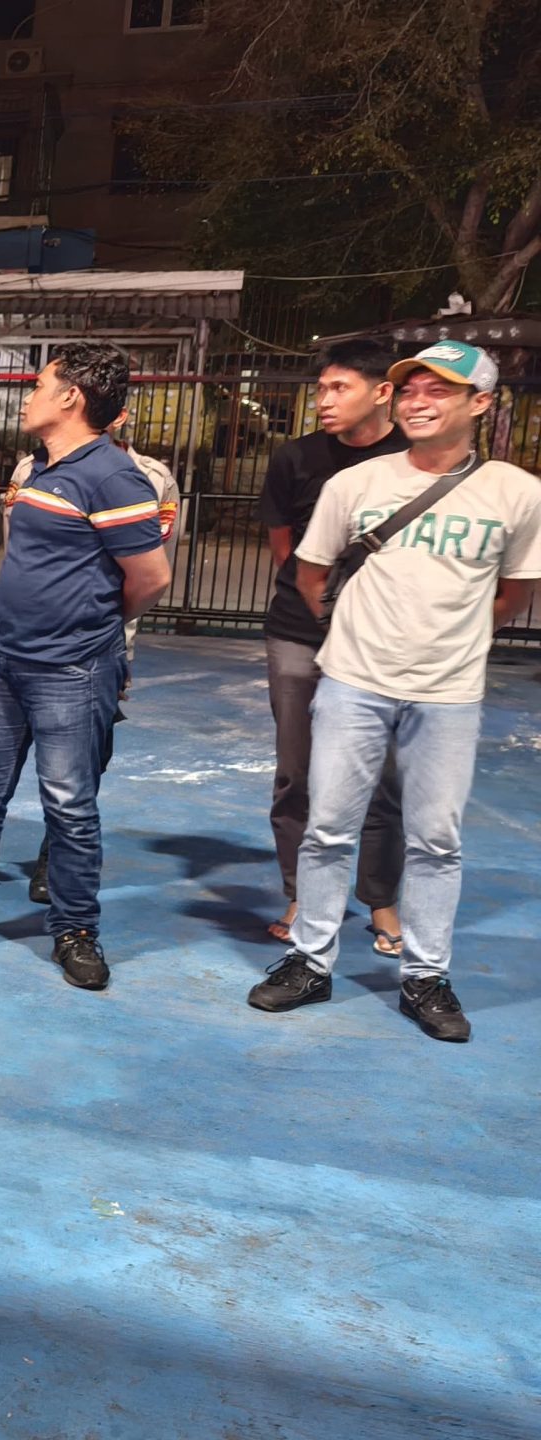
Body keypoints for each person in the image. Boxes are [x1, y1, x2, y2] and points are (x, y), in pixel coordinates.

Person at [250, 341, 541, 1041]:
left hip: (448, 694)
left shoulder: (517, 493)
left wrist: (450, 640)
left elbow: (516, 591)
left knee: (436, 840)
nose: (417, 401)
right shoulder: (357, 484)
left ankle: (425, 976)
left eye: (439, 391)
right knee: (327, 828)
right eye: (409, 388)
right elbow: (311, 574)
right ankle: (310, 960)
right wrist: (358, 639)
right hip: (352, 684)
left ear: (480, 403)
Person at [0, 342, 170, 988]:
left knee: (70, 806)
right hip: (2, 661)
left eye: (38, 385)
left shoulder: (114, 478)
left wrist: (91, 629)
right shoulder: (40, 466)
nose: (27, 396)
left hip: (71, 670)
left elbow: (151, 578)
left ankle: (75, 929)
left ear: (70, 397)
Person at [255, 340, 409, 952]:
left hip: (384, 643)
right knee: (296, 774)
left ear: (382, 392)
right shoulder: (295, 457)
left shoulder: (414, 459)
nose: (323, 400)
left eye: (339, 388)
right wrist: (318, 606)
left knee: (383, 778)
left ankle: (381, 900)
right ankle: (303, 894)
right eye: (321, 389)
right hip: (298, 634)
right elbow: (284, 548)